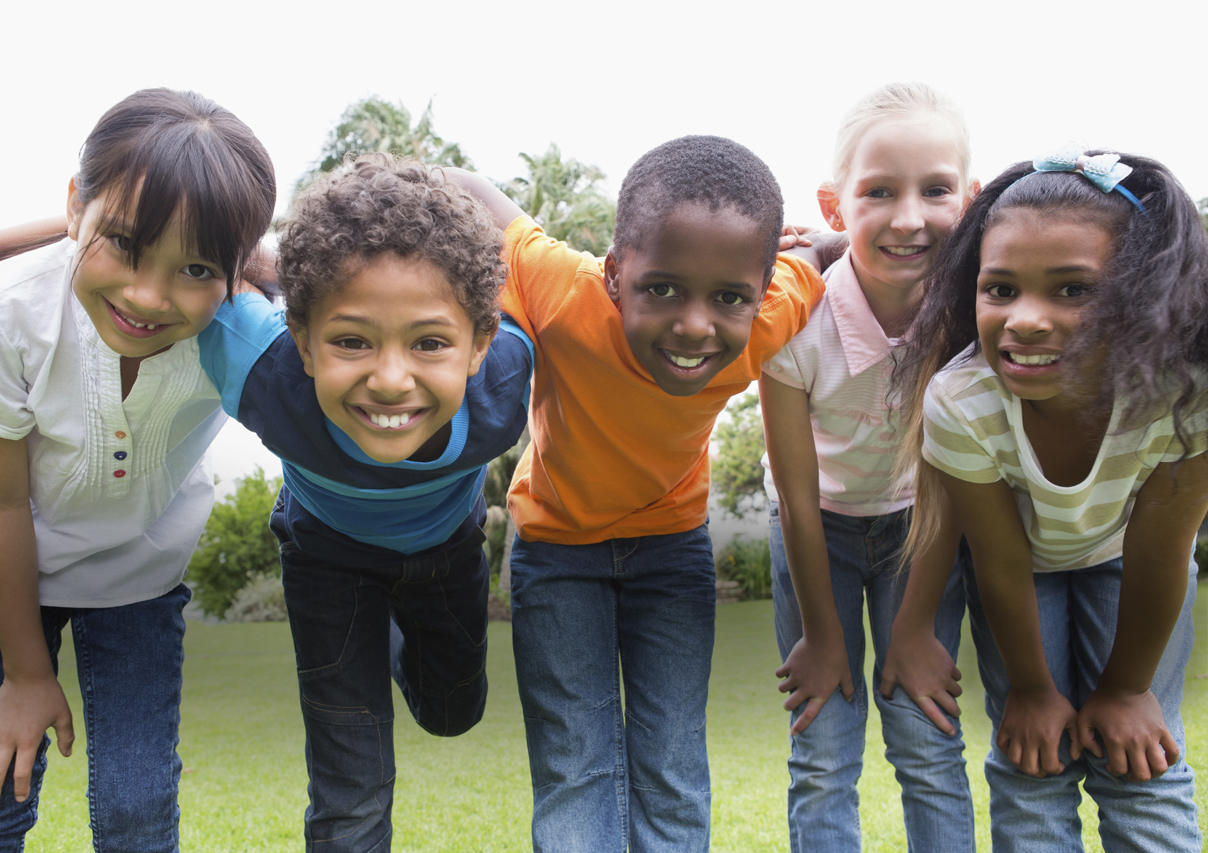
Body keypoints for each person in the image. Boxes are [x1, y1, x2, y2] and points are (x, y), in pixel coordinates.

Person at [450, 136, 827, 853]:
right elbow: (473, 189)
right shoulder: (563, 291)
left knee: (673, 766)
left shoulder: (773, 314)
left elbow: (823, 258)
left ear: (760, 289)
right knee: (573, 764)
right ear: (616, 275)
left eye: (728, 297)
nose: (694, 324)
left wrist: (834, 236)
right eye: (662, 288)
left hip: (671, 553)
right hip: (557, 551)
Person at [0, 88, 275, 852]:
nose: (147, 296)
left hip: (136, 574)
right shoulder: (1, 312)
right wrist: (25, 674)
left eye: (192, 267)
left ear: (234, 268)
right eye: (123, 244)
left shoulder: (245, 330)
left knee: (134, 807)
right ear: (73, 207)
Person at [196, 153, 533, 852]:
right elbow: (160, 248)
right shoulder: (265, 373)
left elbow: (574, 284)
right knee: (350, 784)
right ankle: (360, 639)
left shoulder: (504, 385)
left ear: (478, 346)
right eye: (351, 340)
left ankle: (389, 638)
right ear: (303, 342)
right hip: (327, 559)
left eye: (430, 342)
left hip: (446, 554)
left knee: (453, 711)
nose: (389, 379)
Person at [894, 147, 1208, 852]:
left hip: (1129, 561)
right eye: (1000, 289)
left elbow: (1163, 550)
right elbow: (1001, 563)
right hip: (1023, 569)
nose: (1025, 320)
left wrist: (1128, 690)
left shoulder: (1184, 394)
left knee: (1139, 757)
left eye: (1073, 290)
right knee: (1032, 755)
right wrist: (1033, 690)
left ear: (1146, 296)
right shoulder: (963, 400)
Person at [759, 82, 979, 851]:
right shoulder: (795, 317)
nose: (910, 216)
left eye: (937, 189)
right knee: (823, 748)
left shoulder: (974, 319)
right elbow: (791, 496)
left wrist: (915, 628)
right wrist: (823, 634)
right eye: (879, 191)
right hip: (816, 526)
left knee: (926, 736)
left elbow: (953, 482)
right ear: (834, 205)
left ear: (971, 197)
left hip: (921, 526)